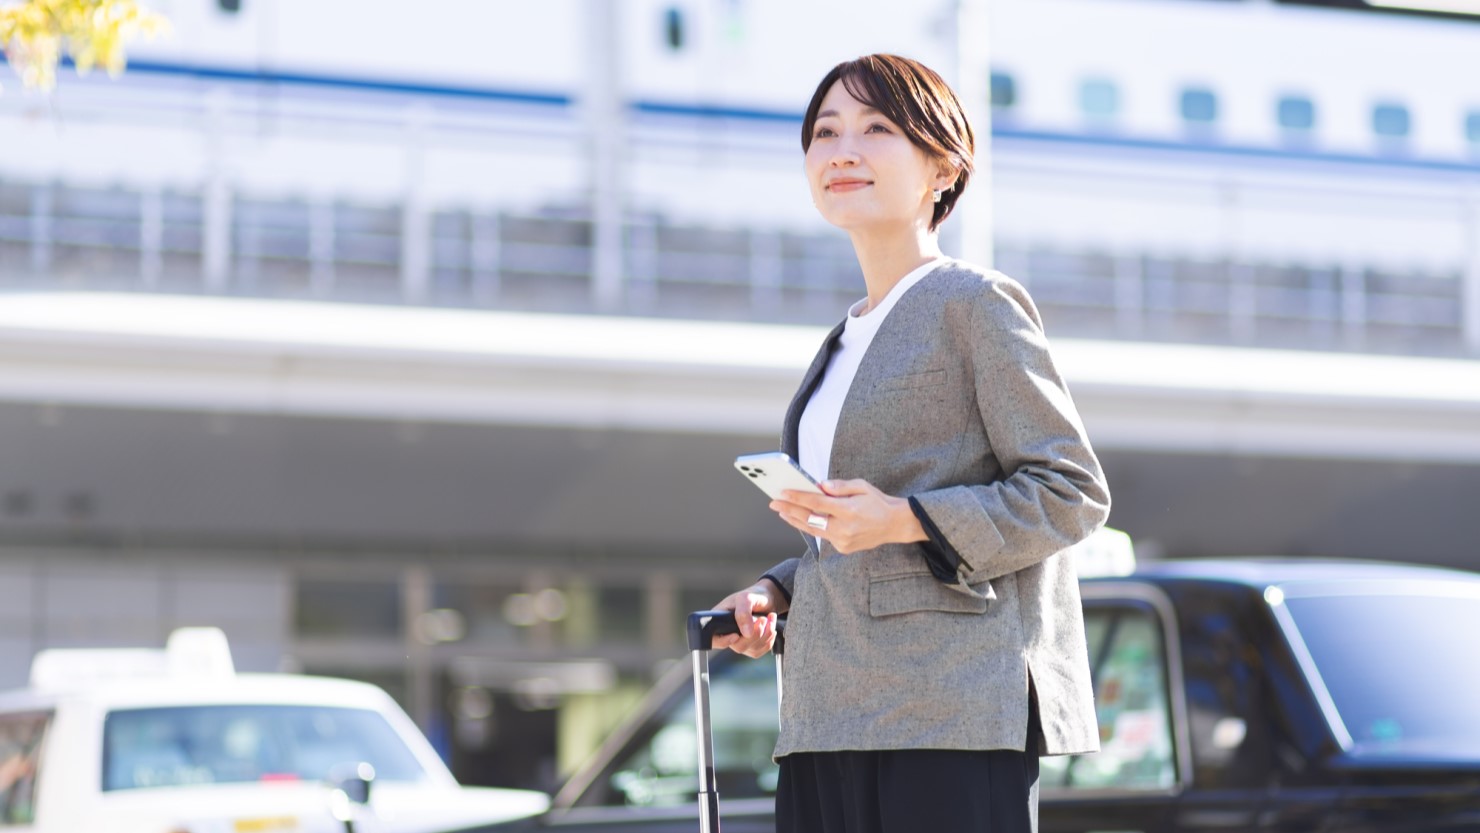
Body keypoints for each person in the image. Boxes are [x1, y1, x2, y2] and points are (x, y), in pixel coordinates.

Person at [711, 54, 1112, 833]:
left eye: (876, 128)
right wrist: (777, 590)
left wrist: (903, 518)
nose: (841, 150)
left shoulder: (975, 303)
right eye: (824, 132)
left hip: (950, 714)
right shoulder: (840, 340)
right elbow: (856, 529)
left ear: (942, 166)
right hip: (827, 714)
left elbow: (1072, 492)